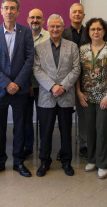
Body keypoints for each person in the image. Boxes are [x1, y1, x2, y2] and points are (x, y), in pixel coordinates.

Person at [0, 0, 34, 178]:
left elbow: (29, 59)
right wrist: (6, 83)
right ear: (1, 10)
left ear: (18, 11)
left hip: (20, 89)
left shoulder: (26, 32)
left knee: (20, 126)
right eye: (6, 8)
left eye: (13, 8)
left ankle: (18, 162)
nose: (9, 11)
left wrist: (17, 83)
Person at [33, 14, 80, 177]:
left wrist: (63, 87)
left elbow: (76, 69)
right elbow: (37, 70)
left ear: (62, 27)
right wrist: (52, 86)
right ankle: (44, 161)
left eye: (58, 26)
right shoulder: (39, 47)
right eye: (52, 26)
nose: (55, 29)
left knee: (66, 131)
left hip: (66, 96)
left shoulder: (72, 46)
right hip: (47, 96)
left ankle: (66, 161)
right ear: (47, 27)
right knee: (45, 131)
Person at [76, 18, 107, 179]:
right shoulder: (82, 50)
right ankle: (92, 160)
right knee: (90, 131)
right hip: (86, 98)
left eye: (99, 29)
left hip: (105, 98)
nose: (96, 32)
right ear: (88, 32)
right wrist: (79, 92)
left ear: (104, 31)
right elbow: (78, 73)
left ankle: (102, 164)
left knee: (102, 130)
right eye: (93, 29)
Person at [62, 3, 88, 159]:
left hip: (85, 80)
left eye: (80, 12)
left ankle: (84, 145)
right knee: (64, 115)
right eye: (74, 12)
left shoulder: (90, 32)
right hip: (66, 79)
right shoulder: (63, 33)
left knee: (83, 115)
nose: (77, 14)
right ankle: (64, 147)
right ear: (70, 15)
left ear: (83, 15)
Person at [25, 8, 50, 158]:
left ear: (42, 20)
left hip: (45, 85)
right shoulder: (22, 35)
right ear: (28, 19)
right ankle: (28, 146)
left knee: (44, 118)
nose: (35, 20)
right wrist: (27, 84)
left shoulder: (49, 36)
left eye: (38, 18)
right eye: (32, 17)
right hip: (26, 84)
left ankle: (44, 146)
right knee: (26, 117)